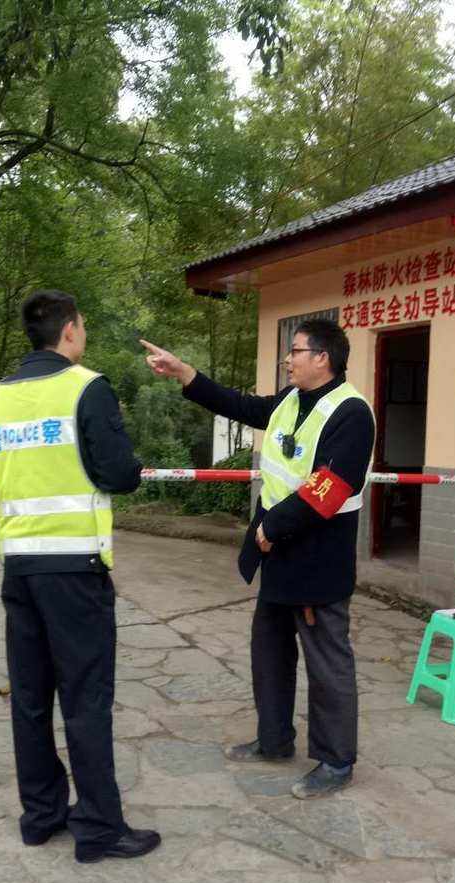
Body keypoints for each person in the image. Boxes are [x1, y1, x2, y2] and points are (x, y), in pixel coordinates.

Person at [141, 318, 375, 800]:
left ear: (322, 359)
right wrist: (186, 373)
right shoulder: (290, 401)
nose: (288, 359)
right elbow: (241, 406)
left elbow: (329, 486)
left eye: (296, 351)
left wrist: (272, 526)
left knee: (327, 662)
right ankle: (274, 741)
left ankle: (335, 761)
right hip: (278, 554)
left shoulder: (351, 413)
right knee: (269, 652)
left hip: (316, 556)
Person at [0, 289, 160, 864]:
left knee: (30, 697)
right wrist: (130, 467)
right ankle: (100, 831)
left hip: (19, 566)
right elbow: (117, 473)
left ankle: (40, 817)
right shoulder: (86, 386)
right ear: (71, 332)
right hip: (75, 569)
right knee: (85, 700)